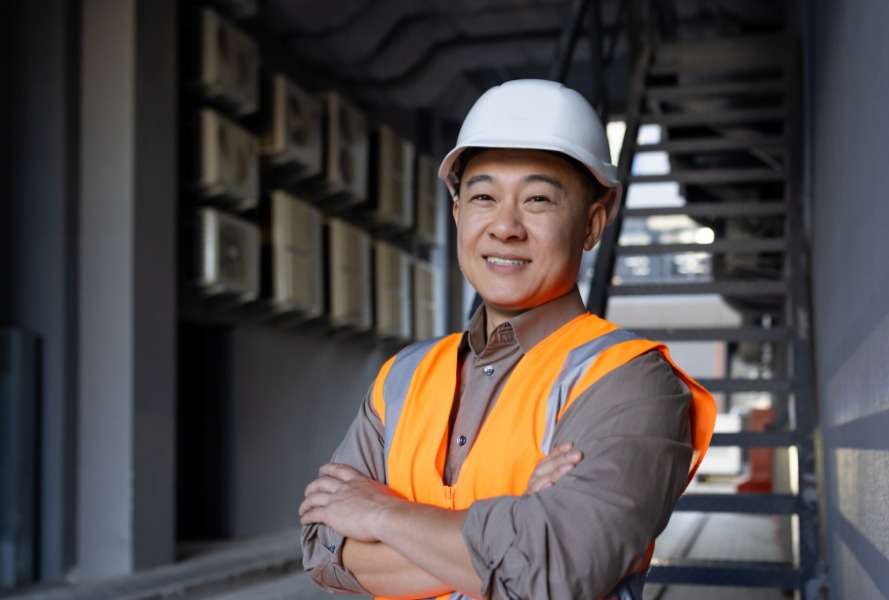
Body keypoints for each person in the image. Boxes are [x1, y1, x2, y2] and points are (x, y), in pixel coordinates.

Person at [299, 79, 717, 600]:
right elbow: (323, 549)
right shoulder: (401, 378)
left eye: (538, 199)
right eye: (483, 196)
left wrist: (379, 513)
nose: (505, 227)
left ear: (591, 224)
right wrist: (514, 518)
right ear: (458, 214)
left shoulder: (631, 381)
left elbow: (560, 568)